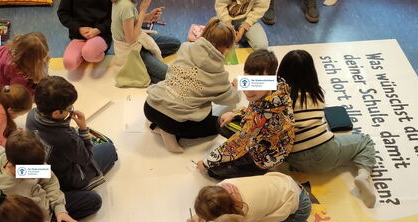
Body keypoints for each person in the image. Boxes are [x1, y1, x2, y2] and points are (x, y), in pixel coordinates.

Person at [278, 49, 377, 207]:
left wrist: (243, 81)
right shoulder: (317, 94)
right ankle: (363, 176)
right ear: (311, 72)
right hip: (326, 154)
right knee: (365, 141)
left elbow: (254, 83)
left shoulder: (275, 95)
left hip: (294, 159)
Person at [0, 129, 101, 222]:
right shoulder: (8, 197)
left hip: (46, 207)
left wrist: (60, 209)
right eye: (32, 173)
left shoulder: (23, 161)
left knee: (94, 200)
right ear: (12, 166)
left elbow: (49, 181)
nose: (36, 174)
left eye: (38, 168)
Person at [144, 18, 239, 153]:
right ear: (226, 48)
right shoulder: (218, 74)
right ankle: (168, 133)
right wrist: (235, 89)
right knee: (217, 124)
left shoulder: (185, 47)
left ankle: (157, 125)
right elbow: (229, 99)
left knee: (184, 101)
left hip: (151, 106)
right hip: (173, 121)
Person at [199, 49, 294, 179]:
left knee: (212, 171)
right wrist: (235, 114)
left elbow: (238, 144)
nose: (248, 90)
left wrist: (206, 162)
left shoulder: (261, 116)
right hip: (264, 138)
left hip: (265, 156)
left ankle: (256, 169)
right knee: (222, 121)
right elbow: (254, 108)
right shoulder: (277, 86)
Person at [25, 76, 118, 192]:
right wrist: (83, 129)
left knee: (105, 143)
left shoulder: (31, 114)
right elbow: (86, 159)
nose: (71, 110)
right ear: (56, 113)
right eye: (69, 108)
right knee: (109, 147)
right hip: (65, 179)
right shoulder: (66, 138)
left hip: (46, 169)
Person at [188, 172, 312, 222]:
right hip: (287, 184)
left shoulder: (246, 213)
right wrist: (198, 216)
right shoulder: (224, 186)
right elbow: (210, 201)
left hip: (301, 208)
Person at [110, 0, 181, 84]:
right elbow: (130, 39)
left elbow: (130, 20)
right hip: (131, 50)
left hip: (139, 38)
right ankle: (141, 67)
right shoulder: (126, 6)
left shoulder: (126, 3)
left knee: (175, 44)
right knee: (171, 76)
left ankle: (148, 60)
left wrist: (148, 16)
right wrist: (143, 10)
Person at [57, 0, 114, 71]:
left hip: (101, 34)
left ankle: (93, 52)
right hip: (78, 35)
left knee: (89, 53)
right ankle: (85, 53)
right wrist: (78, 28)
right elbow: (62, 13)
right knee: (69, 64)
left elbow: (113, 15)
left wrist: (98, 29)